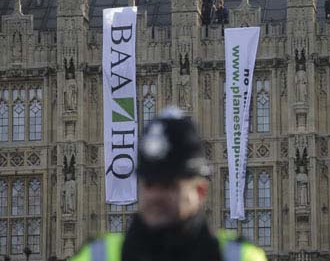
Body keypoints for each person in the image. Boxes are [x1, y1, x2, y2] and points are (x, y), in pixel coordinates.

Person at [71, 107, 267, 261]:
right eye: (149, 183)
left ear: (199, 191)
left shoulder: (241, 258)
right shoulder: (96, 256)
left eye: (168, 184)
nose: (156, 195)